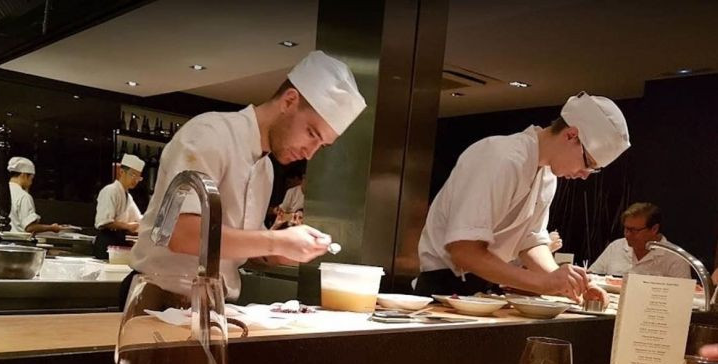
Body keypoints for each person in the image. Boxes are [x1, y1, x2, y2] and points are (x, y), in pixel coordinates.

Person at [127, 50, 366, 302]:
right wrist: (276, 241)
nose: (310, 153)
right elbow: (180, 234)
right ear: (289, 101)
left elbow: (241, 247)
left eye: (321, 145)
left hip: (215, 305)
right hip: (158, 299)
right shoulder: (210, 133)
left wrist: (282, 253)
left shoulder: (265, 169)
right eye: (311, 134)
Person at [415, 91, 631, 301]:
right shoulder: (502, 157)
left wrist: (565, 281)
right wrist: (542, 283)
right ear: (571, 135)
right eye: (588, 164)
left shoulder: (547, 176)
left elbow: (530, 241)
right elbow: (464, 250)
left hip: (481, 290)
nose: (585, 175)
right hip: (441, 288)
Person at [588, 202, 690, 278]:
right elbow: (592, 277)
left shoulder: (676, 258)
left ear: (654, 229)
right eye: (626, 229)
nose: (627, 235)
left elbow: (682, 296)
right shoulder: (616, 247)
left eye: (634, 230)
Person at [0, 156, 66, 233]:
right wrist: (52, 227)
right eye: (31, 178)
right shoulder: (23, 196)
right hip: (17, 242)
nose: (31, 183)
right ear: (24, 175)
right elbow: (29, 227)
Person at [93, 154, 145, 259]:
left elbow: (139, 219)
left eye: (138, 177)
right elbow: (104, 222)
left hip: (119, 241)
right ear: (122, 172)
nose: (135, 180)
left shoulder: (128, 196)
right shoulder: (110, 190)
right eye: (133, 175)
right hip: (106, 241)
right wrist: (128, 226)